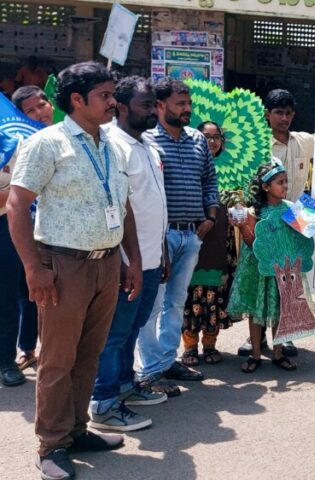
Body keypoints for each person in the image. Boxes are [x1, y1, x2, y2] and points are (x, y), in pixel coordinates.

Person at [7, 61, 141, 480]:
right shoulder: (47, 143)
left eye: (112, 94)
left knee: (88, 357)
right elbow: (16, 206)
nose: (112, 102)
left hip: (105, 265)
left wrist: (130, 259)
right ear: (77, 100)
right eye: (104, 95)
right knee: (58, 361)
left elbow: (123, 206)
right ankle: (51, 443)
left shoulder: (114, 146)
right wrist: (34, 267)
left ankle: (77, 429)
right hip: (62, 265)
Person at [89, 76, 169, 432]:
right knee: (114, 334)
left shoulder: (148, 146)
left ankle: (123, 385)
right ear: (121, 107)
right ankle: (103, 402)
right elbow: (117, 208)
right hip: (126, 264)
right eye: (145, 105)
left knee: (133, 327)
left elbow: (154, 202)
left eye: (154, 104)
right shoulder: (113, 146)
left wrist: (162, 250)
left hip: (151, 259)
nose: (153, 111)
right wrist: (127, 262)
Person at [137, 79, 218, 393]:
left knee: (176, 303)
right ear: (160, 105)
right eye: (180, 104)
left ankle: (167, 360)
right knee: (153, 305)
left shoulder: (198, 139)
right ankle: (149, 370)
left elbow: (209, 181)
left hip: (191, 234)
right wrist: (156, 234)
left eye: (188, 103)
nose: (187, 109)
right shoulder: (146, 141)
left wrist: (210, 216)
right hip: (159, 237)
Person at [229, 162, 315, 373]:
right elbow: (252, 243)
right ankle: (255, 354)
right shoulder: (253, 211)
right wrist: (242, 227)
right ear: (266, 187)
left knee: (280, 309)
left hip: (283, 268)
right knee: (257, 311)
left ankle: (278, 353)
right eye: (280, 182)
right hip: (259, 268)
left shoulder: (291, 207)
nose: (285, 185)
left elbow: (307, 231)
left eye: (286, 181)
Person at [1, 86, 54, 378]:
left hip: (53, 232)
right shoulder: (12, 143)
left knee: (44, 295)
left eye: (42, 105)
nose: (39, 113)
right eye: (30, 111)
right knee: (13, 293)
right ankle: (11, 359)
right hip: (14, 227)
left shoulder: (67, 137)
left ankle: (40, 352)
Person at [183, 120, 237, 367]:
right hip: (195, 236)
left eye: (216, 138)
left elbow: (240, 201)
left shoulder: (234, 170)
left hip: (220, 242)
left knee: (214, 293)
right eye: (206, 137)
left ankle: (210, 344)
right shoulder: (189, 166)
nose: (212, 142)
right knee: (190, 294)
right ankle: (190, 346)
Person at [266, 89, 314, 202]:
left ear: (293, 115)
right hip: (267, 215)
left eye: (288, 113)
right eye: (279, 112)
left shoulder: (305, 141)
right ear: (267, 114)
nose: (284, 118)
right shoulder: (259, 146)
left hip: (296, 215)